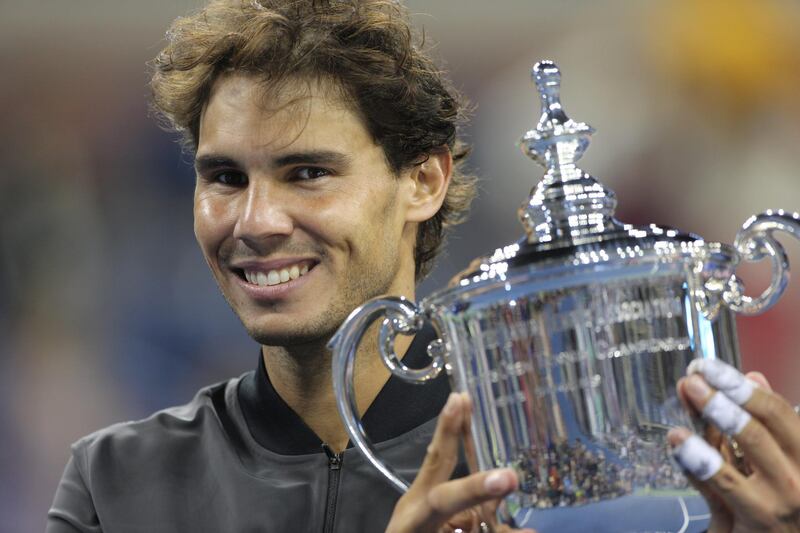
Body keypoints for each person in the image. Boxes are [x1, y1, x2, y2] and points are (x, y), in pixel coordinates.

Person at [47, 1, 800, 532]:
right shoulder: (116, 481)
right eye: (225, 178)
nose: (256, 221)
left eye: (308, 173)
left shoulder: (562, 468)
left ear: (424, 182)